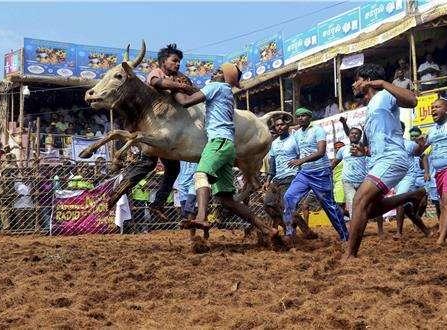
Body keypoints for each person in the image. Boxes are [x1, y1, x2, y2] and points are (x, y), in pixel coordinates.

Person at [175, 63, 277, 239]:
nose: (214, 72)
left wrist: (175, 86)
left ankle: (201, 218)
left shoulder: (215, 86)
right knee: (227, 200)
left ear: (225, 77)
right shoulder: (225, 91)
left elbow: (185, 102)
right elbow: (197, 94)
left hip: (218, 143)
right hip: (228, 146)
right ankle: (268, 229)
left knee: (200, 175)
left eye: (219, 71)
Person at [345, 63, 426, 259]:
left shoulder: (385, 95)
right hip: (379, 159)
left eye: (357, 79)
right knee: (370, 210)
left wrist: (383, 83)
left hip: (392, 158)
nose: (354, 84)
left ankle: (350, 254)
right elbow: (378, 139)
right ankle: (412, 196)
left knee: (359, 201)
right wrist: (364, 152)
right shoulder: (371, 106)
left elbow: (413, 100)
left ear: (368, 80)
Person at [115, 43, 195, 217]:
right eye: (174, 60)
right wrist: (180, 86)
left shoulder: (181, 77)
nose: (178, 64)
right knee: (147, 164)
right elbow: (157, 83)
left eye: (179, 61)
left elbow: (191, 91)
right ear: (163, 62)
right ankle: (121, 188)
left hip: (171, 134)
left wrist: (189, 87)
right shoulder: (156, 73)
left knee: (172, 170)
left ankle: (157, 204)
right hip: (153, 129)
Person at [281, 107, 349, 246]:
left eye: (303, 115)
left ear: (309, 117)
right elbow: (290, 149)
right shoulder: (297, 133)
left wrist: (301, 160)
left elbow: (321, 152)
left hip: (321, 173)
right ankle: (289, 234)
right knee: (288, 197)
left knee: (329, 205)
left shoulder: (318, 130)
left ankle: (345, 237)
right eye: (298, 116)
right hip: (304, 173)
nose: (300, 118)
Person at [262, 116, 317, 238]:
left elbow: (302, 156)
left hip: (292, 177)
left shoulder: (294, 139)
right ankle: (305, 230)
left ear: (287, 126)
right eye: (277, 125)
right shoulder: (274, 143)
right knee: (268, 204)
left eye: (282, 124)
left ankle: (291, 234)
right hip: (277, 179)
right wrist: (267, 180)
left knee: (287, 207)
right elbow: (273, 164)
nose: (279, 127)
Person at [422, 99, 447, 244]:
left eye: (437, 107)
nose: (433, 110)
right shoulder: (431, 130)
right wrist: (420, 145)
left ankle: (441, 239)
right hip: (439, 172)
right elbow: (422, 150)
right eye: (432, 108)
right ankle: (442, 233)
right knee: (446, 204)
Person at [393, 124, 431, 240]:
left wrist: (422, 145)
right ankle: (426, 231)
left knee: (399, 200)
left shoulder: (409, 144)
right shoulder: (389, 144)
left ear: (401, 130)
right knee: (408, 209)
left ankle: (399, 232)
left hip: (408, 177)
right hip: (395, 178)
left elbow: (421, 154)